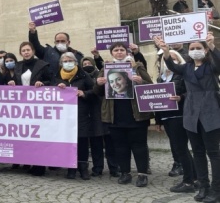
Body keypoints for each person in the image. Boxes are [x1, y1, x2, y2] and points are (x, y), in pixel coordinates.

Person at [156, 34, 220, 202]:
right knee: (198, 152)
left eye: (199, 48)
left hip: (210, 113)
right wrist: (166, 51)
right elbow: (172, 66)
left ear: (205, 50)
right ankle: (203, 186)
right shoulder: (186, 68)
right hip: (191, 114)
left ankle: (216, 189)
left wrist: (213, 46)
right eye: (192, 49)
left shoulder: (211, 65)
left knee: (213, 153)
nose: (195, 51)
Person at [94, 42, 152, 188]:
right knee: (120, 146)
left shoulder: (137, 66)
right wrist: (99, 83)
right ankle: (125, 173)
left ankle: (142, 174)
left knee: (139, 145)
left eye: (122, 50)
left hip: (136, 113)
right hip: (114, 115)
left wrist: (141, 82)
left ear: (126, 52)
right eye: (116, 50)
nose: (119, 52)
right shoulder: (105, 68)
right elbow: (97, 92)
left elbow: (150, 86)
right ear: (111, 53)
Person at [155, 49, 196, 193]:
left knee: (181, 149)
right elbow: (156, 100)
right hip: (166, 117)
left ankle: (188, 181)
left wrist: (181, 98)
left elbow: (190, 92)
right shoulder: (160, 79)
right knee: (180, 148)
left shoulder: (182, 75)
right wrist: (158, 120)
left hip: (179, 115)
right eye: (168, 59)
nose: (171, 62)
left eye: (174, 58)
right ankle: (194, 178)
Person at [8, 42, 52, 176]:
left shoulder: (43, 65)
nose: (26, 52)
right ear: (20, 53)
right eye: (23, 50)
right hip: (22, 106)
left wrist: (43, 84)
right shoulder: (18, 66)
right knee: (27, 135)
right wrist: (12, 83)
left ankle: (40, 165)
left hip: (39, 105)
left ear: (32, 51)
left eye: (28, 50)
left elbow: (52, 81)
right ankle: (29, 161)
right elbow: (16, 81)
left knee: (39, 135)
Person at [55, 52, 94, 180]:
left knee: (82, 142)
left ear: (75, 62)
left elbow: (94, 91)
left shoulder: (84, 75)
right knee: (68, 142)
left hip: (81, 114)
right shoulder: (56, 76)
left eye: (70, 60)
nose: (68, 62)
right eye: (65, 61)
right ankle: (71, 168)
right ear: (61, 63)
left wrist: (84, 93)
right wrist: (58, 88)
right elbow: (50, 93)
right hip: (63, 116)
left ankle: (83, 168)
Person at [80, 56, 116, 177]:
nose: (86, 65)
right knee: (96, 144)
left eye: (88, 63)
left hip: (105, 110)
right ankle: (97, 167)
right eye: (84, 64)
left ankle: (114, 167)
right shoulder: (82, 77)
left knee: (110, 143)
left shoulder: (101, 73)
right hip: (92, 113)